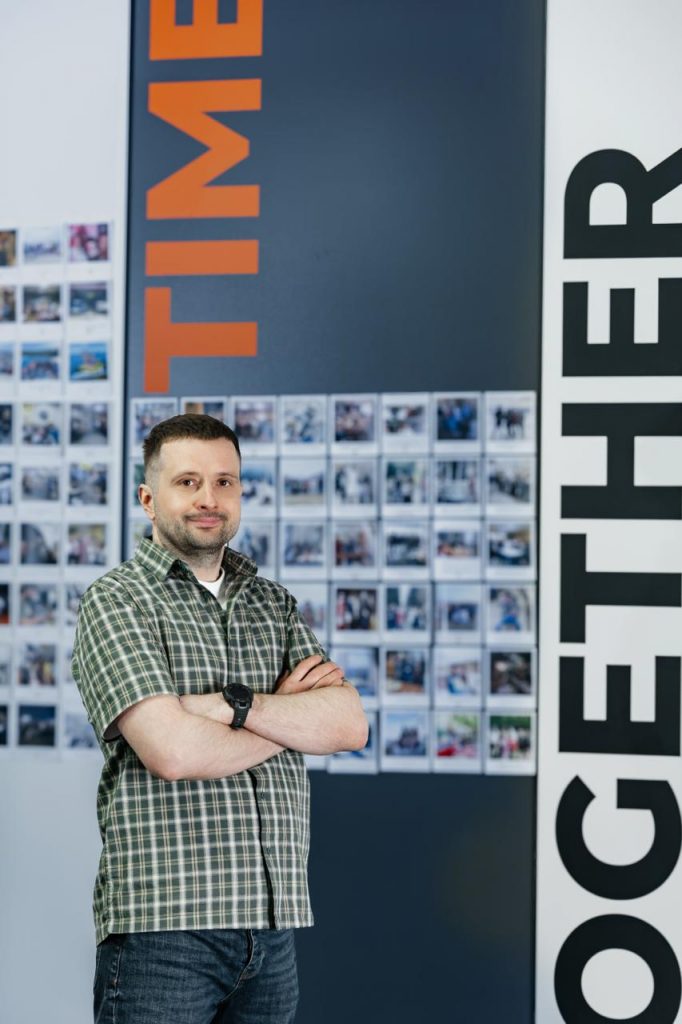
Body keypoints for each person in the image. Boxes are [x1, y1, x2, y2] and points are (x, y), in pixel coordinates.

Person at [73, 413, 368, 1024]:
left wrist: (231, 706)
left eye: (224, 482)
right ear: (149, 499)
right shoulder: (117, 601)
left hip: (273, 927)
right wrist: (287, 718)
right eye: (188, 482)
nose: (209, 498)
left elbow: (348, 725)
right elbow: (173, 752)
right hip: (164, 931)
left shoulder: (273, 604)